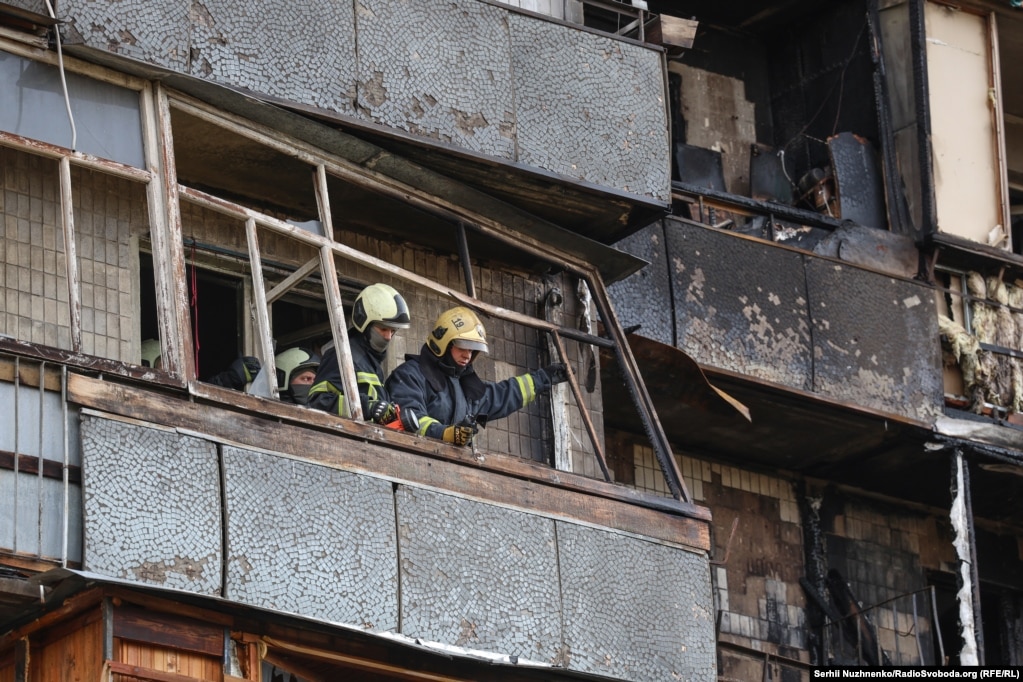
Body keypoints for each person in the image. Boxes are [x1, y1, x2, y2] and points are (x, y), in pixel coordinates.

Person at [385, 306, 568, 446]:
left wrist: (544, 378)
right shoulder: (410, 376)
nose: (468, 355)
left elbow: (502, 396)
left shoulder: (467, 388)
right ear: (444, 343)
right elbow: (411, 420)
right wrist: (445, 433)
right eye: (463, 347)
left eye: (473, 350)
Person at [307, 283, 415, 426]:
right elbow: (318, 402)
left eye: (393, 331)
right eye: (383, 329)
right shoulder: (342, 356)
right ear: (364, 323)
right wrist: (367, 407)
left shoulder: (372, 363)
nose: (388, 337)